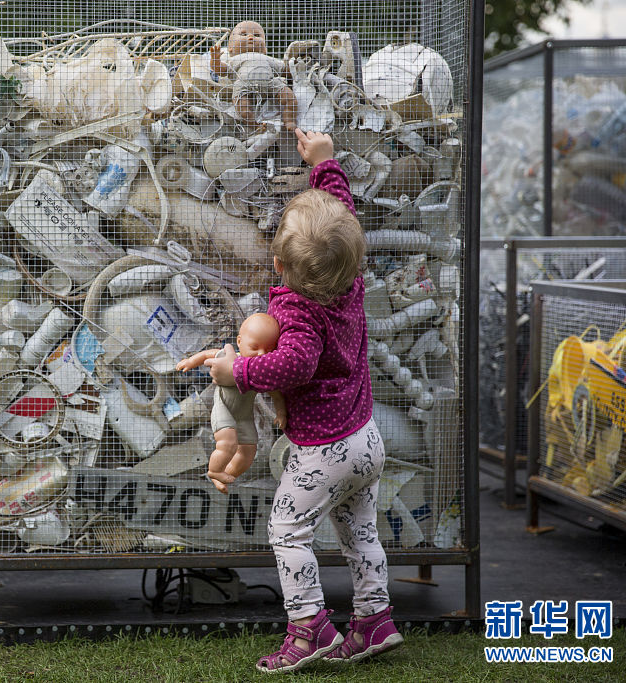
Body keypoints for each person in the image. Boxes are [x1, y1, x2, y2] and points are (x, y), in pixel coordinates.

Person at [204, 129, 403, 672]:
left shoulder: (296, 312)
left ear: (279, 267)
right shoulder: (351, 279)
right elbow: (341, 212)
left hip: (324, 451)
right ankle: (374, 619)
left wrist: (236, 369)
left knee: (288, 529)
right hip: (366, 438)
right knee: (360, 530)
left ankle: (310, 627)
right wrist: (325, 163)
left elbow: (294, 365)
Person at [175, 313, 287, 494]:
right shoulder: (229, 358)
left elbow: (276, 395)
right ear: (240, 341)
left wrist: (281, 413)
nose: (261, 354)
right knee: (227, 444)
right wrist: (190, 361)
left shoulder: (261, 374)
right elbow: (207, 354)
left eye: (269, 350)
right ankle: (214, 471)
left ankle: (224, 475)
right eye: (254, 347)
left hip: (244, 416)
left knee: (248, 451)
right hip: (224, 409)